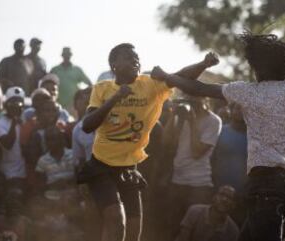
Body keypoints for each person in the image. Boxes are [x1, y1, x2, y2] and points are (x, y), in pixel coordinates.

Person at [151, 32, 285, 241]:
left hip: (265, 182)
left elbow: (197, 88)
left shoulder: (249, 91)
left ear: (258, 66)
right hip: (283, 183)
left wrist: (166, 76)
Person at [81, 43, 219, 241]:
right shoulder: (102, 88)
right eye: (128, 57)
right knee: (116, 220)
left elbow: (181, 76)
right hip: (102, 165)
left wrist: (203, 64)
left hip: (129, 168)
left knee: (134, 232)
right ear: (114, 65)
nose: (135, 60)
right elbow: (87, 125)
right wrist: (116, 98)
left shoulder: (149, 85)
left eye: (137, 57)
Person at [164, 95, 222, 237]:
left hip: (199, 184)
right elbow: (166, 143)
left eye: (195, 99)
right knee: (172, 228)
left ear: (205, 99)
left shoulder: (213, 121)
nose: (191, 103)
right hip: (177, 180)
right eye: (188, 99)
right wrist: (173, 116)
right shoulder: (182, 117)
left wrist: (192, 121)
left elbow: (197, 152)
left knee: (195, 232)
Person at [175, 185, 239, 241]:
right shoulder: (195, 211)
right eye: (222, 194)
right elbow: (182, 238)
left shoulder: (233, 231)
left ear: (233, 205)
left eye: (229, 197)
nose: (224, 199)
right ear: (214, 197)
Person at [0, 87, 27, 192]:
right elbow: (8, 144)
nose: (16, 106)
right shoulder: (0, 123)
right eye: (12, 103)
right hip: (8, 173)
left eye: (19, 103)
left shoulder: (26, 120)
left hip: (25, 172)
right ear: (6, 105)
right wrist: (14, 121)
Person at [211, 102, 247, 192]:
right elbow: (211, 159)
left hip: (244, 192)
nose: (241, 112)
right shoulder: (220, 131)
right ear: (231, 110)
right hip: (217, 188)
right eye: (238, 108)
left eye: (245, 109)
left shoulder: (255, 138)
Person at [72, 87, 94, 167]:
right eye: (87, 103)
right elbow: (79, 162)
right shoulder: (78, 129)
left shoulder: (113, 123)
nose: (90, 106)